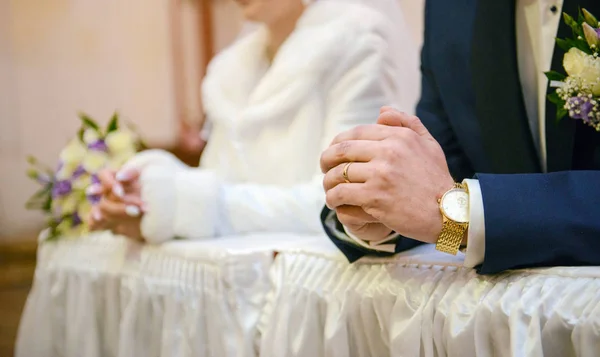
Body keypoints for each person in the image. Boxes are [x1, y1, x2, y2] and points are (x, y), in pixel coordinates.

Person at [87, 0, 420, 243]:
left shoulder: (357, 44)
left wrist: (179, 203)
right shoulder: (231, 69)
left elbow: (341, 204)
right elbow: (217, 178)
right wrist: (143, 188)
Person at [321, 0, 600, 275]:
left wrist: (464, 214)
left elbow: (454, 203)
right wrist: (382, 211)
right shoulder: (451, 9)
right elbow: (448, 176)